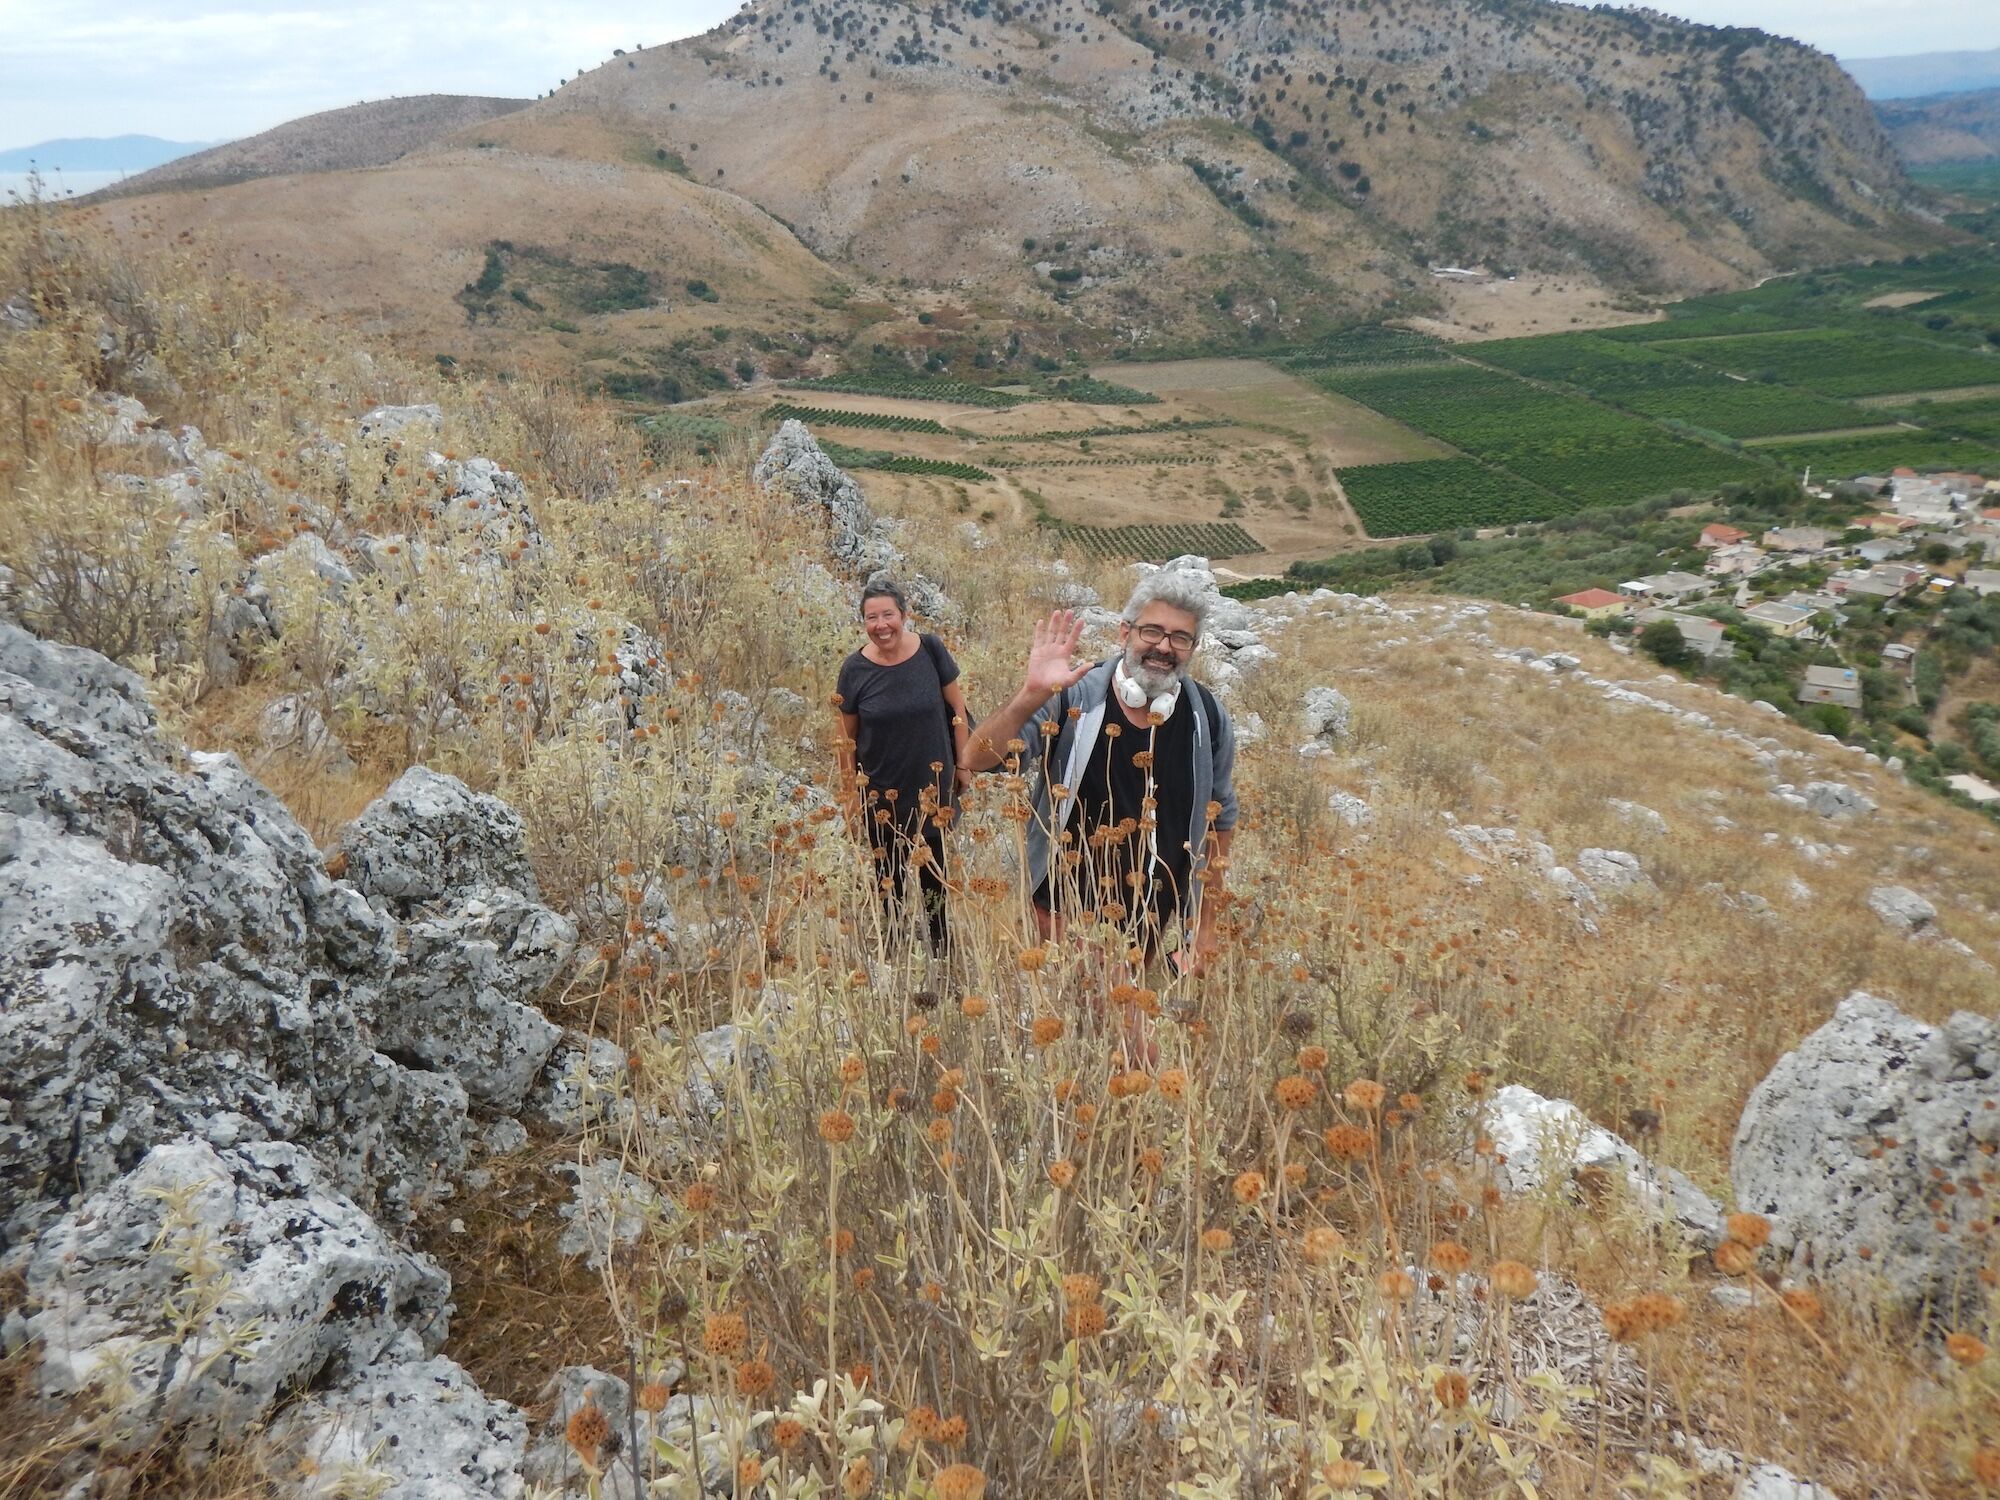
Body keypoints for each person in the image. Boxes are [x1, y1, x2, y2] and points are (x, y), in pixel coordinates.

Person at [964, 572, 1237, 975]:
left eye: (1180, 637)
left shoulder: (1206, 718)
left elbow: (1221, 821)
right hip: (1061, 908)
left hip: (1149, 919)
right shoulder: (1075, 696)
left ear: (1192, 648)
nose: (1164, 647)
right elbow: (976, 757)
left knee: (1117, 1034)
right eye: (1152, 631)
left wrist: (1204, 928)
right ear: (1125, 632)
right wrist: (1030, 697)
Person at [834, 579, 971, 951]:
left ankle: (941, 955)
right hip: (882, 796)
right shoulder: (855, 670)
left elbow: (957, 711)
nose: (881, 625)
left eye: (888, 615)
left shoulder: (931, 649)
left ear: (904, 615)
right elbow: (845, 738)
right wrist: (850, 793)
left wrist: (964, 766)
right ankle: (894, 957)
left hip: (932, 786)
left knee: (934, 881)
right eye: (871, 617)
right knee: (888, 883)